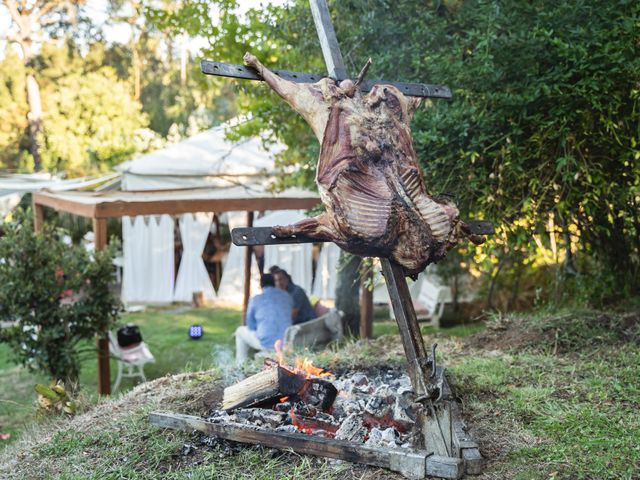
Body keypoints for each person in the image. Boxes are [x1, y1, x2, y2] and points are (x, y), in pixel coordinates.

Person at [235, 273, 293, 364]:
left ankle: (241, 364)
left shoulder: (255, 299)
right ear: (274, 283)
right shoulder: (287, 296)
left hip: (266, 343)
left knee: (239, 331)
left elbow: (250, 325)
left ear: (261, 285)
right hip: (286, 342)